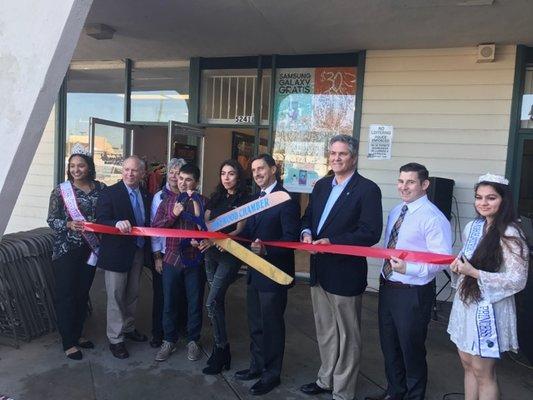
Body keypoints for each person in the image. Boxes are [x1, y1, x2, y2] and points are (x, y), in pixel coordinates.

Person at [299, 134, 383, 400]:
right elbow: (308, 217)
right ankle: (325, 380)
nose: (336, 158)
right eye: (333, 153)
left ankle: (343, 391)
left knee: (348, 336)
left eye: (342, 154)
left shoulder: (367, 189)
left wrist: (332, 241)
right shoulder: (322, 186)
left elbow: (370, 232)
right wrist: (305, 233)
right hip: (319, 271)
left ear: (353, 158)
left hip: (345, 273)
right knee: (325, 331)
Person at [365, 163, 452, 400]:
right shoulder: (397, 211)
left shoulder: (434, 218)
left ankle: (414, 396)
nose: (404, 187)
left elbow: (442, 260)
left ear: (425, 185)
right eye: (401, 181)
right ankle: (395, 392)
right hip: (388, 288)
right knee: (390, 346)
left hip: (413, 293)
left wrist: (409, 268)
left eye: (411, 182)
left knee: (411, 350)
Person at [447, 173, 529, 400]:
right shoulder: (473, 227)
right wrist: (459, 267)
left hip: (489, 309)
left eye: (490, 198)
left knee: (484, 372)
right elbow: (467, 260)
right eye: (479, 197)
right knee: (467, 365)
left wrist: (474, 273)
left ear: (503, 201)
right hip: (466, 303)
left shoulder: (511, 233)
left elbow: (517, 279)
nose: (483, 203)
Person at [234, 153, 300, 396]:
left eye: (261, 168)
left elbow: (291, 238)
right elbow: (249, 232)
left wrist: (266, 249)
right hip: (254, 272)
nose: (257, 174)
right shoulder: (256, 199)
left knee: (272, 326)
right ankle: (256, 366)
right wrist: (229, 239)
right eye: (253, 170)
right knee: (255, 324)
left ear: (273, 169)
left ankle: (272, 374)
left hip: (273, 274)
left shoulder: (286, 200)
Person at [47, 152, 105, 360]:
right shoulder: (61, 191)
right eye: (72, 166)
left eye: (80, 166)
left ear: (89, 167)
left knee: (82, 293)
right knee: (66, 295)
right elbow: (52, 220)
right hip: (66, 251)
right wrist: (69, 224)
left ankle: (78, 333)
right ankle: (68, 342)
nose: (76, 170)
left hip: (91, 250)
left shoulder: (101, 189)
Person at [96, 155, 152, 359]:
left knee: (133, 293)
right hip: (116, 253)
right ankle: (116, 338)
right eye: (126, 169)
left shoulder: (146, 195)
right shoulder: (109, 193)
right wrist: (115, 223)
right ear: (122, 171)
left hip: (137, 251)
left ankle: (128, 327)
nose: (130, 173)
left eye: (134, 170)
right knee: (116, 296)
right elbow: (101, 220)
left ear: (142, 173)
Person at [198, 159, 250, 374]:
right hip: (209, 254)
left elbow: (239, 229)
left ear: (238, 176)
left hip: (229, 256)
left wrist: (222, 239)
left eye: (231, 173)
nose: (226, 177)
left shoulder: (246, 199)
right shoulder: (215, 197)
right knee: (215, 302)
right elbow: (206, 222)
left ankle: (221, 349)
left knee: (210, 303)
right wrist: (202, 238)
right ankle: (222, 351)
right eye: (223, 173)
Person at [152, 163, 207, 363]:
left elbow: (209, 230)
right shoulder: (167, 201)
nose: (183, 183)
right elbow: (156, 227)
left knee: (194, 302)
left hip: (194, 260)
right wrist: (173, 214)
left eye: (188, 179)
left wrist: (200, 240)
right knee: (169, 302)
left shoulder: (203, 202)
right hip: (171, 259)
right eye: (181, 178)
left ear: (197, 182)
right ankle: (169, 340)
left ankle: (193, 340)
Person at [149, 158, 187, 348]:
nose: (174, 175)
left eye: (178, 172)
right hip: (165, 254)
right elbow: (154, 229)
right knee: (162, 296)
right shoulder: (159, 197)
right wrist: (157, 256)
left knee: (181, 295)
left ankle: (178, 329)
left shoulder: (189, 197)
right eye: (171, 171)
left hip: (186, 253)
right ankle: (158, 333)